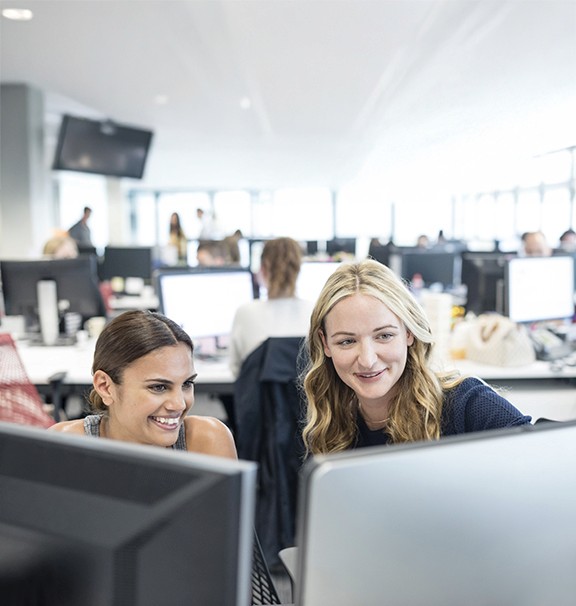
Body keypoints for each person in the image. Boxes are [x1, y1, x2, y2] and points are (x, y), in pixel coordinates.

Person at [301, 259, 531, 455]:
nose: (368, 360)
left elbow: (545, 464)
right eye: (347, 341)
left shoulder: (467, 406)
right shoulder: (327, 428)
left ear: (409, 332)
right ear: (325, 343)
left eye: (384, 336)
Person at [48, 310, 237, 458]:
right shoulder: (64, 447)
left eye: (187, 383)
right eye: (159, 387)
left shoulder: (208, 442)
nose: (179, 404)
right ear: (105, 387)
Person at [229, 237, 314, 378]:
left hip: (257, 400)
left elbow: (236, 371)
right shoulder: (315, 312)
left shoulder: (245, 313)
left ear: (263, 269)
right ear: (298, 270)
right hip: (309, 399)